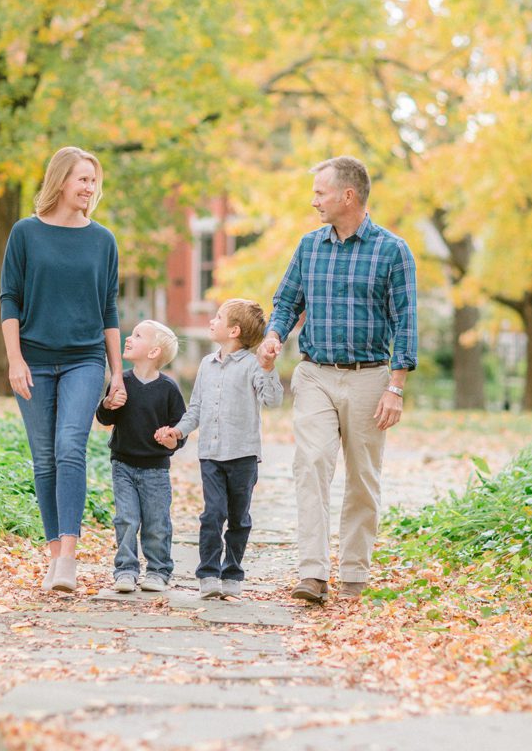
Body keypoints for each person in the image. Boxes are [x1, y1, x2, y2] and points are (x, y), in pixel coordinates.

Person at [257, 156, 417, 605]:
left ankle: (353, 573)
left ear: (348, 195)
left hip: (370, 378)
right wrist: (273, 335)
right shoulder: (310, 246)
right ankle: (312, 573)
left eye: (320, 193)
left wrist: (396, 387)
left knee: (363, 477)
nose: (314, 202)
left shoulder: (392, 251)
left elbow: (406, 322)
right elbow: (286, 300)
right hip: (315, 374)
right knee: (311, 462)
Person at [0, 146, 124, 594]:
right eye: (82, 179)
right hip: (32, 360)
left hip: (84, 359)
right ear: (60, 181)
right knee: (45, 459)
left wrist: (118, 372)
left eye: (93, 180)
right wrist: (14, 359)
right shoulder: (25, 233)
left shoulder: (102, 240)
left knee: (70, 446)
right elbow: (9, 299)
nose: (90, 188)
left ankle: (69, 558)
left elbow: (109, 309)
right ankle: (54, 557)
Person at [155, 299, 284, 600]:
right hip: (210, 456)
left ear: (234, 330)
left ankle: (233, 572)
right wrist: (178, 430)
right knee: (212, 514)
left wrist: (268, 368)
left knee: (239, 518)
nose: (212, 321)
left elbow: (273, 400)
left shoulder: (253, 365)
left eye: (218, 317)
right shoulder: (206, 365)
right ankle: (209, 572)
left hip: (243, 455)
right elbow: (196, 408)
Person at [97, 319, 186, 594]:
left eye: (137, 335)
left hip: (155, 469)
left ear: (153, 352)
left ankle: (158, 570)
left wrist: (172, 436)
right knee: (126, 518)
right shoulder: (120, 381)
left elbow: (179, 428)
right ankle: (125, 569)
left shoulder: (169, 389)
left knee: (157, 522)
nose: (129, 338)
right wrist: (108, 404)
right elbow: (104, 417)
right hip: (122, 464)